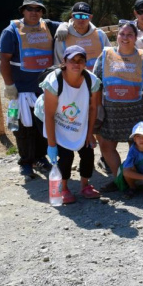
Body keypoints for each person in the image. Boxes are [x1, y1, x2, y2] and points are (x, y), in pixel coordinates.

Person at [93, 22, 143, 192]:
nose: (125, 38)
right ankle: (120, 179)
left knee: (138, 148)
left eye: (129, 34)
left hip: (138, 112)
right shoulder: (105, 55)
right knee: (107, 146)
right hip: (111, 113)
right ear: (117, 36)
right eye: (122, 34)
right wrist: (96, 107)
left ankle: (135, 180)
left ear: (135, 37)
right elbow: (96, 85)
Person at [0, 0, 62, 177]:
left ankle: (40, 158)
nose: (34, 12)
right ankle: (25, 161)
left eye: (38, 9)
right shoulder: (11, 31)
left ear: (42, 11)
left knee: (44, 125)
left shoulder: (49, 26)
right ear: (23, 10)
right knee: (23, 128)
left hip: (44, 89)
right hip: (22, 90)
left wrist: (65, 26)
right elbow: (4, 59)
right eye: (30, 8)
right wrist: (9, 85)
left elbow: (72, 24)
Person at [36, 45, 102, 203]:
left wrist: (89, 133)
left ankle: (85, 185)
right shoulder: (54, 82)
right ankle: (63, 188)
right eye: (72, 60)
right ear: (64, 62)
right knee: (65, 155)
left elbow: (93, 108)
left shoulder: (92, 81)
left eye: (81, 60)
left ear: (85, 63)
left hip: (76, 117)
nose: (76, 64)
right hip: (48, 117)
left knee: (87, 150)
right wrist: (52, 145)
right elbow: (49, 115)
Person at [53, 2, 111, 70]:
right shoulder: (62, 36)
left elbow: (110, 57)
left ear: (90, 17)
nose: (81, 20)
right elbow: (58, 63)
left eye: (84, 16)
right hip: (72, 79)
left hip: (97, 79)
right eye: (77, 16)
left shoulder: (100, 35)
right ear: (72, 16)